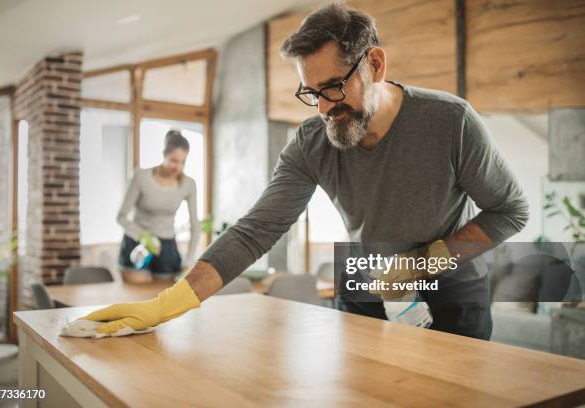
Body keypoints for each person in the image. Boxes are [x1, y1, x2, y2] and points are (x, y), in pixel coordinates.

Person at [82, 4, 528, 339]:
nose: (325, 108)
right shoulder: (312, 140)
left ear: (375, 64)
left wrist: (419, 264)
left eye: (334, 86)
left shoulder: (450, 121)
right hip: (365, 286)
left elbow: (510, 210)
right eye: (312, 92)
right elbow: (256, 230)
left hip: (448, 291)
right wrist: (168, 303)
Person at [116, 129, 201, 283]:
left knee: (163, 297)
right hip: (137, 243)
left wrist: (188, 263)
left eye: (183, 162)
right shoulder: (141, 176)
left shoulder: (188, 185)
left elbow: (195, 227)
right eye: (174, 160)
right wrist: (142, 236)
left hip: (167, 248)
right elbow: (121, 217)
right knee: (137, 296)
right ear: (164, 154)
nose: (178, 167)